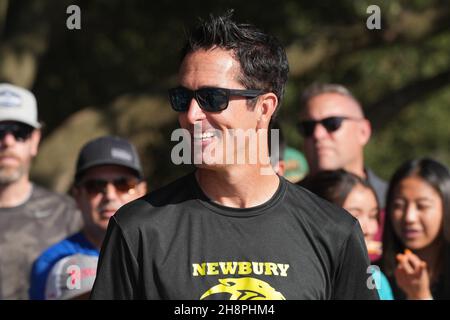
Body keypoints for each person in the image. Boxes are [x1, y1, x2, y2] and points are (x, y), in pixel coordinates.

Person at [91, 12, 378, 300]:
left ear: (264, 108)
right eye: (182, 98)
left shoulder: (334, 231)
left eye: (212, 98)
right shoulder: (137, 229)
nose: (191, 116)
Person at [28, 136, 147, 300]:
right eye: (95, 186)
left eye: (123, 184)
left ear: (142, 191)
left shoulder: (167, 251)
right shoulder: (50, 264)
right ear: (77, 195)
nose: (109, 196)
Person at [0, 83, 82, 299]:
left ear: (35, 139)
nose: (7, 141)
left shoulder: (69, 215)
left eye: (20, 132)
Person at [303, 169, 393, 299]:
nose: (370, 229)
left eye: (373, 215)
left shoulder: (375, 278)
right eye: (355, 216)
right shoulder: (299, 276)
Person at [297, 83, 387, 208]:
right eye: (308, 127)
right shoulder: (284, 205)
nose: (318, 134)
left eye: (332, 123)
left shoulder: (392, 203)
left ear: (363, 132)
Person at [380, 158, 450, 299]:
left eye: (422, 206)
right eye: (399, 205)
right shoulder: (375, 277)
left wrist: (420, 296)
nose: (409, 217)